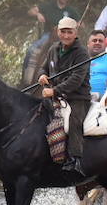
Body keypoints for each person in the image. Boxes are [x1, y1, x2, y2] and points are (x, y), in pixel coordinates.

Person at [39, 17, 93, 175]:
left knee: (74, 121)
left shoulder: (82, 53)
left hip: (77, 97)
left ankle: (75, 160)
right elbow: (44, 68)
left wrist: (54, 91)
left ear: (76, 33)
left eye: (70, 32)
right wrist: (42, 76)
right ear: (58, 32)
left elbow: (76, 80)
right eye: (63, 32)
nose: (66, 35)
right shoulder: (53, 49)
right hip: (54, 96)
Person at [26, 0, 79, 79]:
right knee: (31, 50)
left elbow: (80, 23)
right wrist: (38, 14)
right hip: (49, 35)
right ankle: (26, 80)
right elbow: (30, 11)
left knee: (80, 54)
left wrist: (76, 25)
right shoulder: (48, 6)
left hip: (66, 37)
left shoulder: (71, 11)